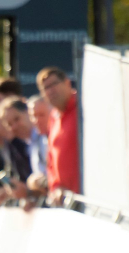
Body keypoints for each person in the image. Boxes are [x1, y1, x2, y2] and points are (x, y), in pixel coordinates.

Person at [37, 66, 80, 196]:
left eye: (54, 84)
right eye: (45, 88)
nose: (50, 91)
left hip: (87, 195)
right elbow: (50, 159)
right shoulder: (54, 117)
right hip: (66, 199)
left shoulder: (82, 108)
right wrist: (55, 186)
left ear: (67, 83)